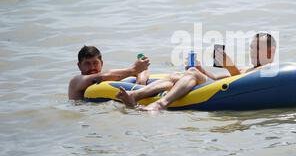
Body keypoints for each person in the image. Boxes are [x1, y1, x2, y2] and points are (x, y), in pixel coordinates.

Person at [115, 32, 276, 111]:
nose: (252, 52)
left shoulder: (269, 70)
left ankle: (159, 104)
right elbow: (218, 79)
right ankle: (135, 95)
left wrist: (229, 66)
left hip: (225, 93)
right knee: (177, 75)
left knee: (191, 72)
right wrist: (201, 69)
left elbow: (241, 82)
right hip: (215, 88)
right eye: (251, 48)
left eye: (257, 49)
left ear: (270, 52)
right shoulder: (248, 67)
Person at [68, 45, 150, 100]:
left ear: (102, 63)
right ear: (79, 66)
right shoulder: (76, 81)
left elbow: (142, 71)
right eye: (87, 64)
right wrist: (134, 69)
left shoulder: (109, 79)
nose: (92, 67)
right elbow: (103, 76)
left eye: (95, 63)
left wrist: (140, 83)